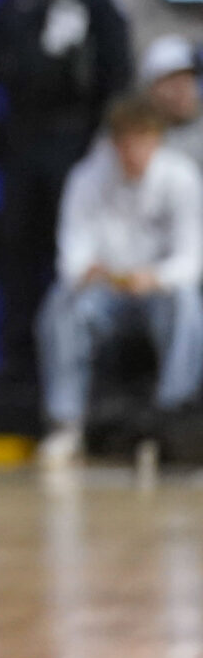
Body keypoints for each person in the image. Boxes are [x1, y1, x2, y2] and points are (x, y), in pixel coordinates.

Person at [0, 0, 132, 380]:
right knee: (16, 254)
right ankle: (17, 365)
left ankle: (79, 369)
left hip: (76, 147)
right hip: (19, 149)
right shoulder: (13, 2)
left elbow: (116, 78)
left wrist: (105, 147)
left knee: (74, 254)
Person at [37, 95, 203, 466]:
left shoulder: (181, 177)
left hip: (157, 293)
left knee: (188, 303)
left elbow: (191, 260)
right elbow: (71, 255)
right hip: (105, 294)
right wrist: (91, 272)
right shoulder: (87, 177)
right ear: (113, 143)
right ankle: (66, 423)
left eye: (141, 140)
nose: (132, 151)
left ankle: (171, 418)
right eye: (125, 141)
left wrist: (155, 277)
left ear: (157, 140)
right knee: (61, 305)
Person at [146, 36, 203, 167]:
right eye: (173, 82)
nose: (183, 90)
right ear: (151, 89)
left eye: (188, 79)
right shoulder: (133, 137)